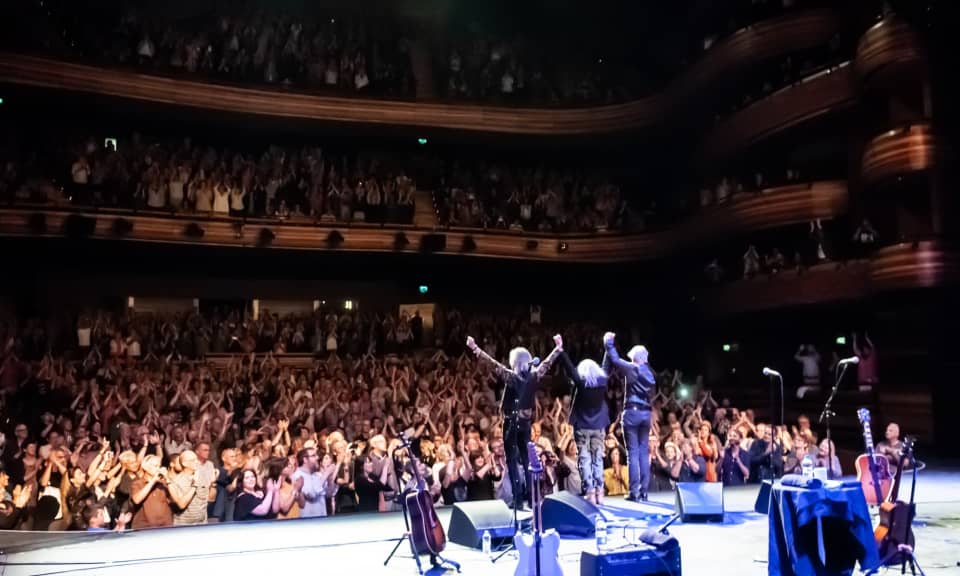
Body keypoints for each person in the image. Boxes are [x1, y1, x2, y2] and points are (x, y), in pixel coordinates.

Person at [466, 333, 562, 509]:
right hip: (526, 424)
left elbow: (492, 364)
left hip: (511, 423)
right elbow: (547, 364)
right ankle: (533, 499)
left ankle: (518, 501)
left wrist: (475, 348)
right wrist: (557, 348)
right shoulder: (534, 375)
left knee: (511, 461)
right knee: (527, 461)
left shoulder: (512, 377)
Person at [602, 332, 655, 502]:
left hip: (632, 413)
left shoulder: (634, 368)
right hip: (646, 413)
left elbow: (616, 360)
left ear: (637, 358)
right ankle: (644, 492)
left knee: (633, 453)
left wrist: (608, 342)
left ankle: (634, 492)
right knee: (642, 452)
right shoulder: (650, 373)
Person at [555, 347, 610, 505]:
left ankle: (590, 492)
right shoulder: (602, 381)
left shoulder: (580, 383)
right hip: (598, 425)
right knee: (597, 459)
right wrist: (608, 346)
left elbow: (569, 368)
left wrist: (561, 350)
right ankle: (600, 492)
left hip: (582, 426)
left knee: (585, 459)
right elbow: (606, 365)